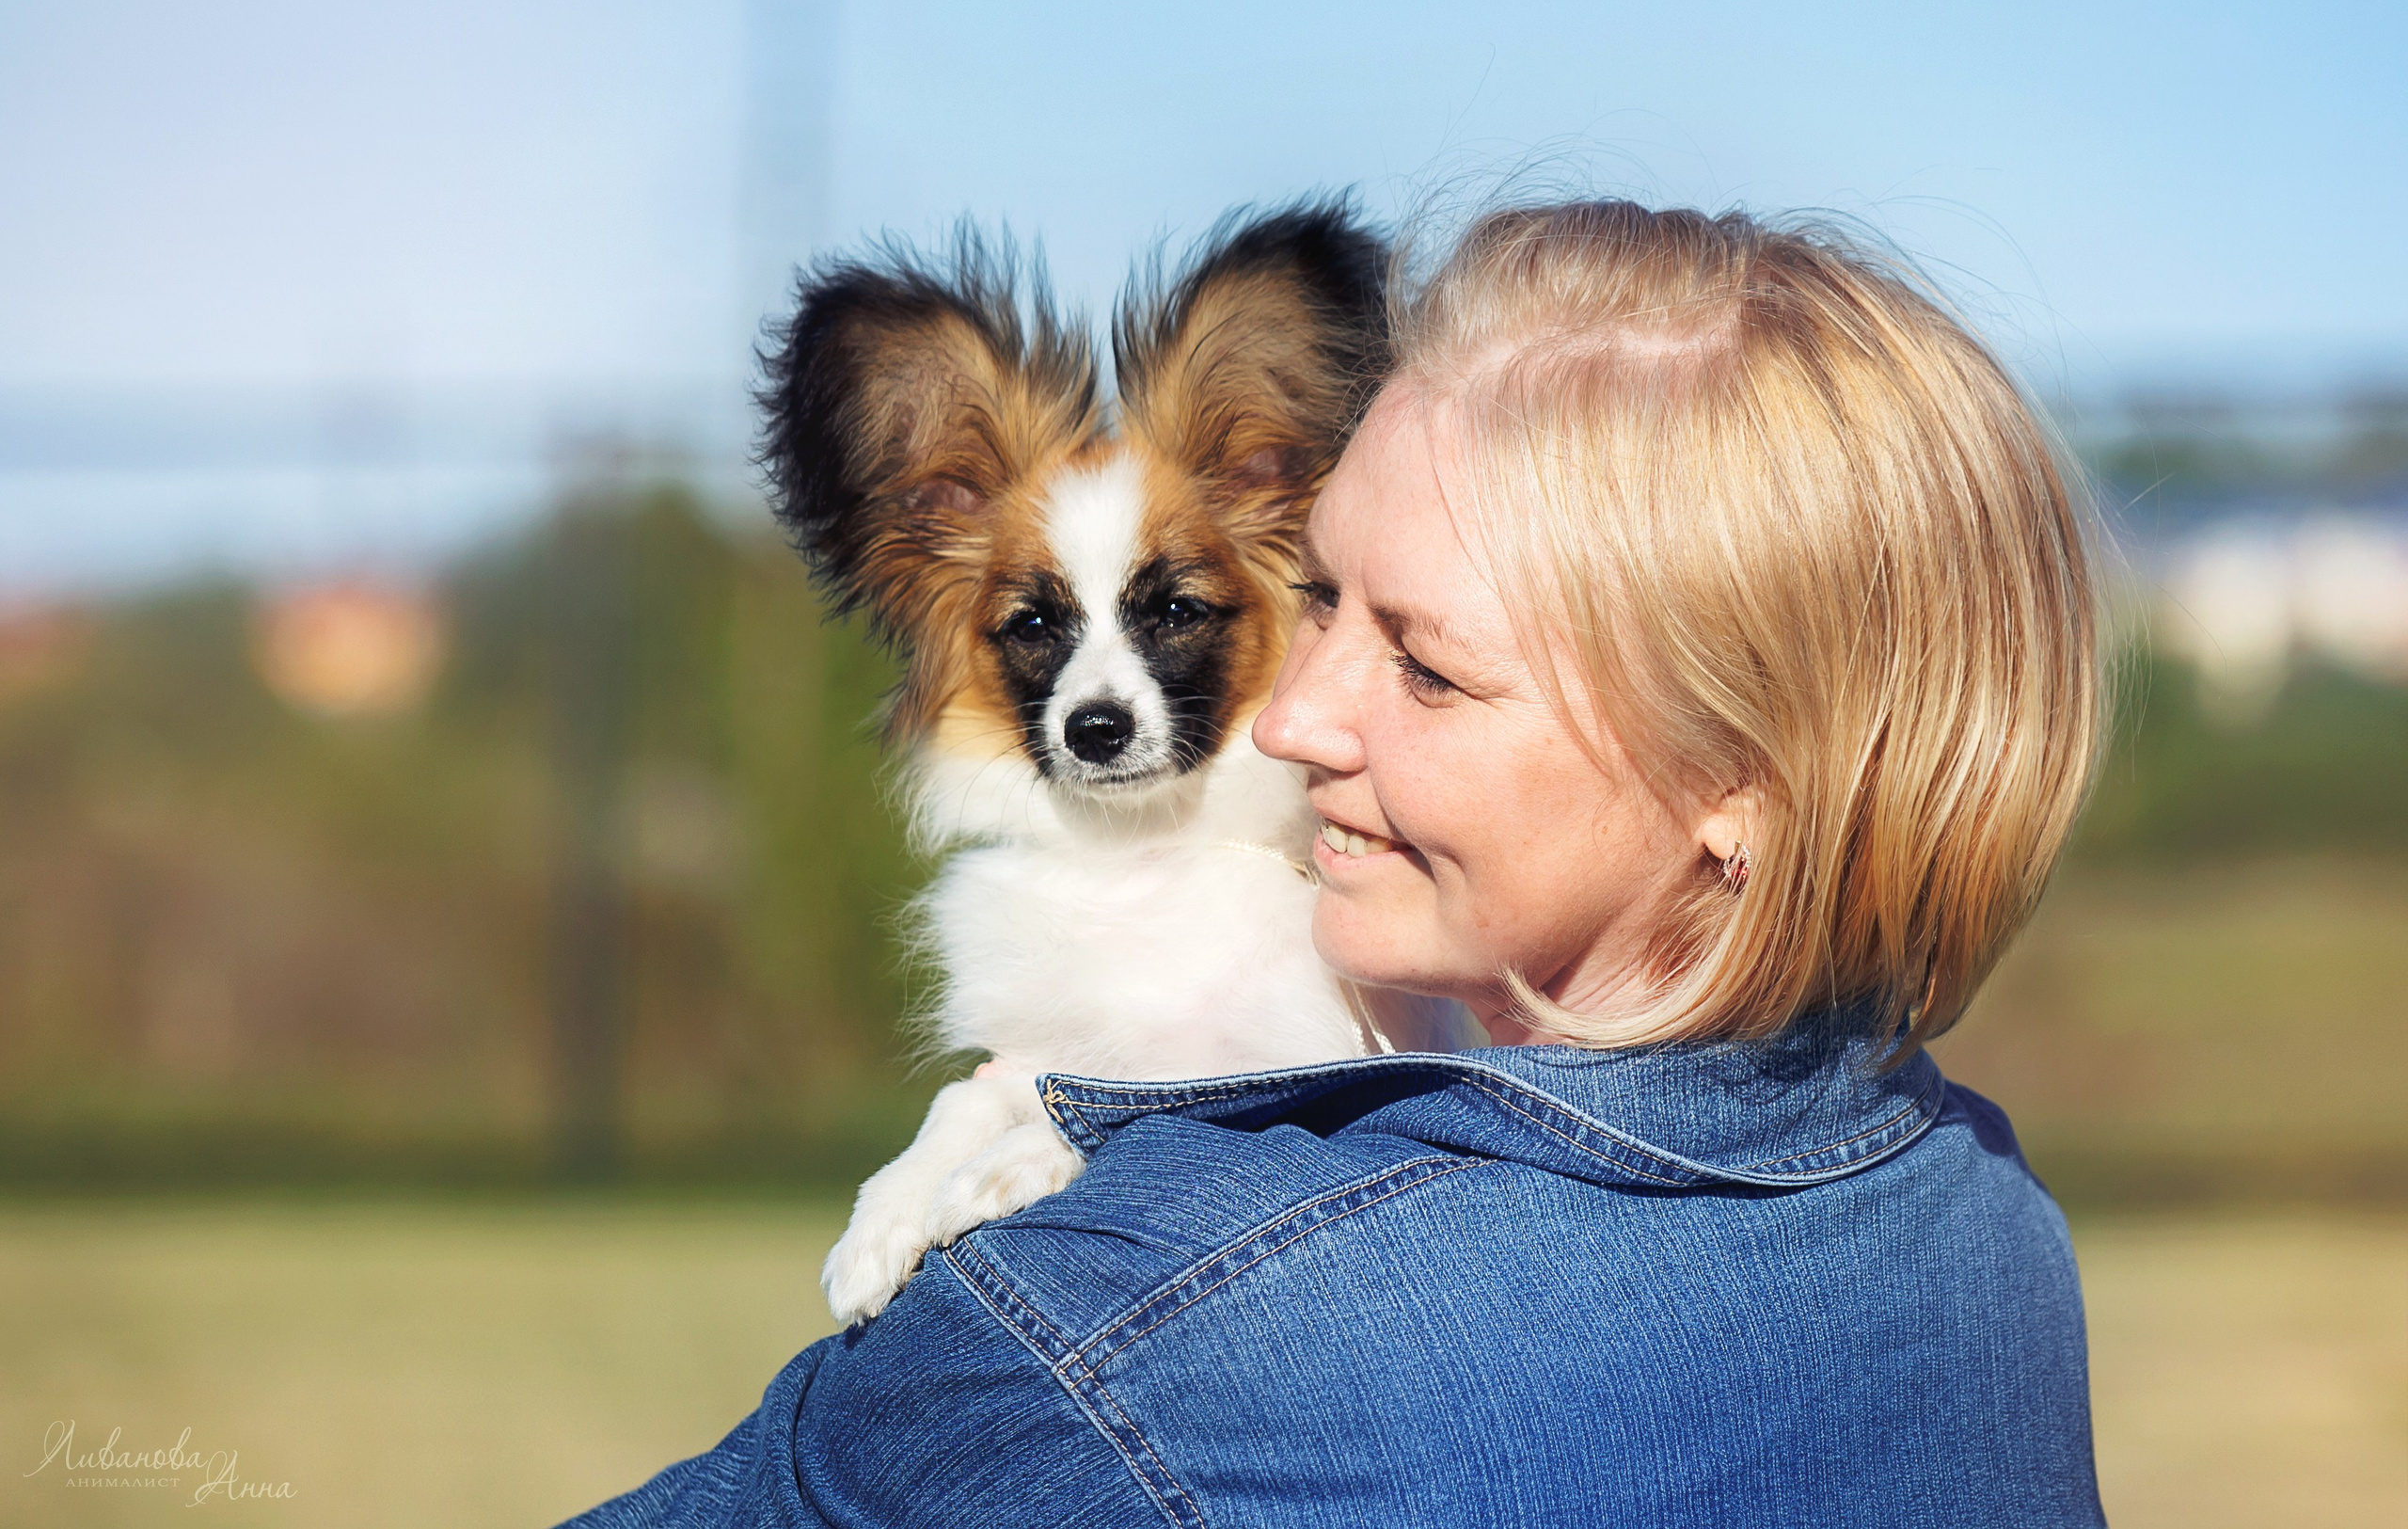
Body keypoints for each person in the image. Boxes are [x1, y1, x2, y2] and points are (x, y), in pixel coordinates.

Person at [566, 200, 2106, 1527]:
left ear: (1739, 785)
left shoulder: (1101, 1338)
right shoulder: (1981, 1226)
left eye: (1427, 667)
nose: (1287, 719)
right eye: (1320, 604)